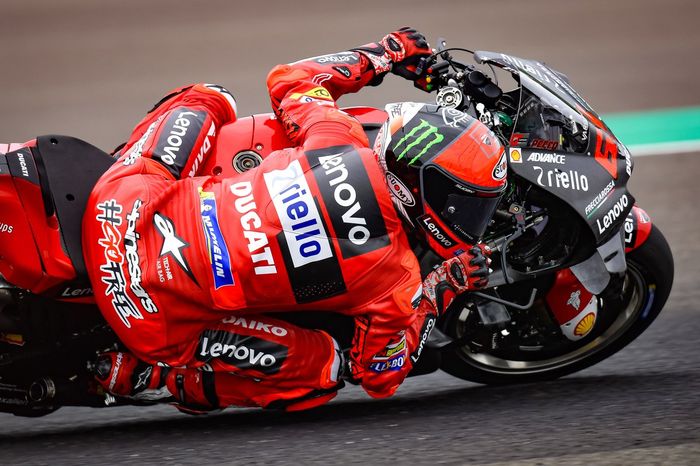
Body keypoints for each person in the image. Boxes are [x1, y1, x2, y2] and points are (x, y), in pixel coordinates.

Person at [0, 28, 505, 412]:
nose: (475, 218)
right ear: (425, 194)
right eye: (471, 204)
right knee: (329, 369)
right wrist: (440, 292)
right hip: (148, 317)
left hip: (118, 209)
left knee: (212, 97)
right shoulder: (397, 280)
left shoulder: (337, 137)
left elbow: (292, 79)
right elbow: (380, 375)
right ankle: (139, 376)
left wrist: (385, 53)